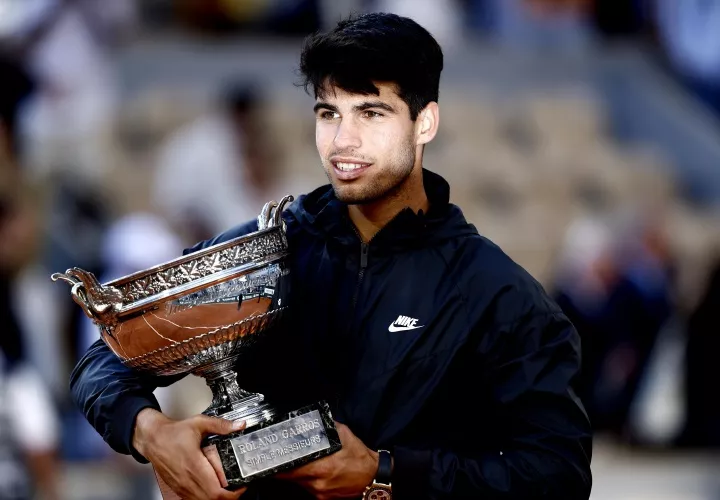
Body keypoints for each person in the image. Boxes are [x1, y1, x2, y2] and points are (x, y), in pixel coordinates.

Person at [70, 12, 593, 500]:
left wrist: (384, 473)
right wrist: (151, 432)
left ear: (425, 123)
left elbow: (558, 476)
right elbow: (104, 360)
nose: (343, 140)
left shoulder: (497, 293)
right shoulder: (263, 250)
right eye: (329, 113)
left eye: (371, 112)